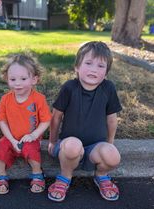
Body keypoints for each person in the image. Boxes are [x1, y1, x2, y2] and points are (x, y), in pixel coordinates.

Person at [48, 41, 122, 202]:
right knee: (73, 146)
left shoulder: (108, 88)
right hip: (69, 145)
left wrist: (110, 143)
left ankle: (101, 175)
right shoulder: (69, 87)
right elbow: (56, 116)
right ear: (77, 67)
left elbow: (111, 119)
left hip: (95, 147)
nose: (94, 69)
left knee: (113, 157)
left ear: (106, 72)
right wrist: (53, 141)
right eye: (88, 63)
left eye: (100, 66)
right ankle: (65, 176)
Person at [0, 54, 52, 194]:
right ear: (7, 79)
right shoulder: (5, 99)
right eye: (12, 79)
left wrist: (34, 135)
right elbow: (3, 121)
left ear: (34, 80)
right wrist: (12, 139)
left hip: (30, 138)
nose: (17, 83)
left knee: (31, 151)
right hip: (10, 138)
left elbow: (46, 120)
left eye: (23, 79)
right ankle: (1, 175)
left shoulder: (38, 99)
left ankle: (37, 174)